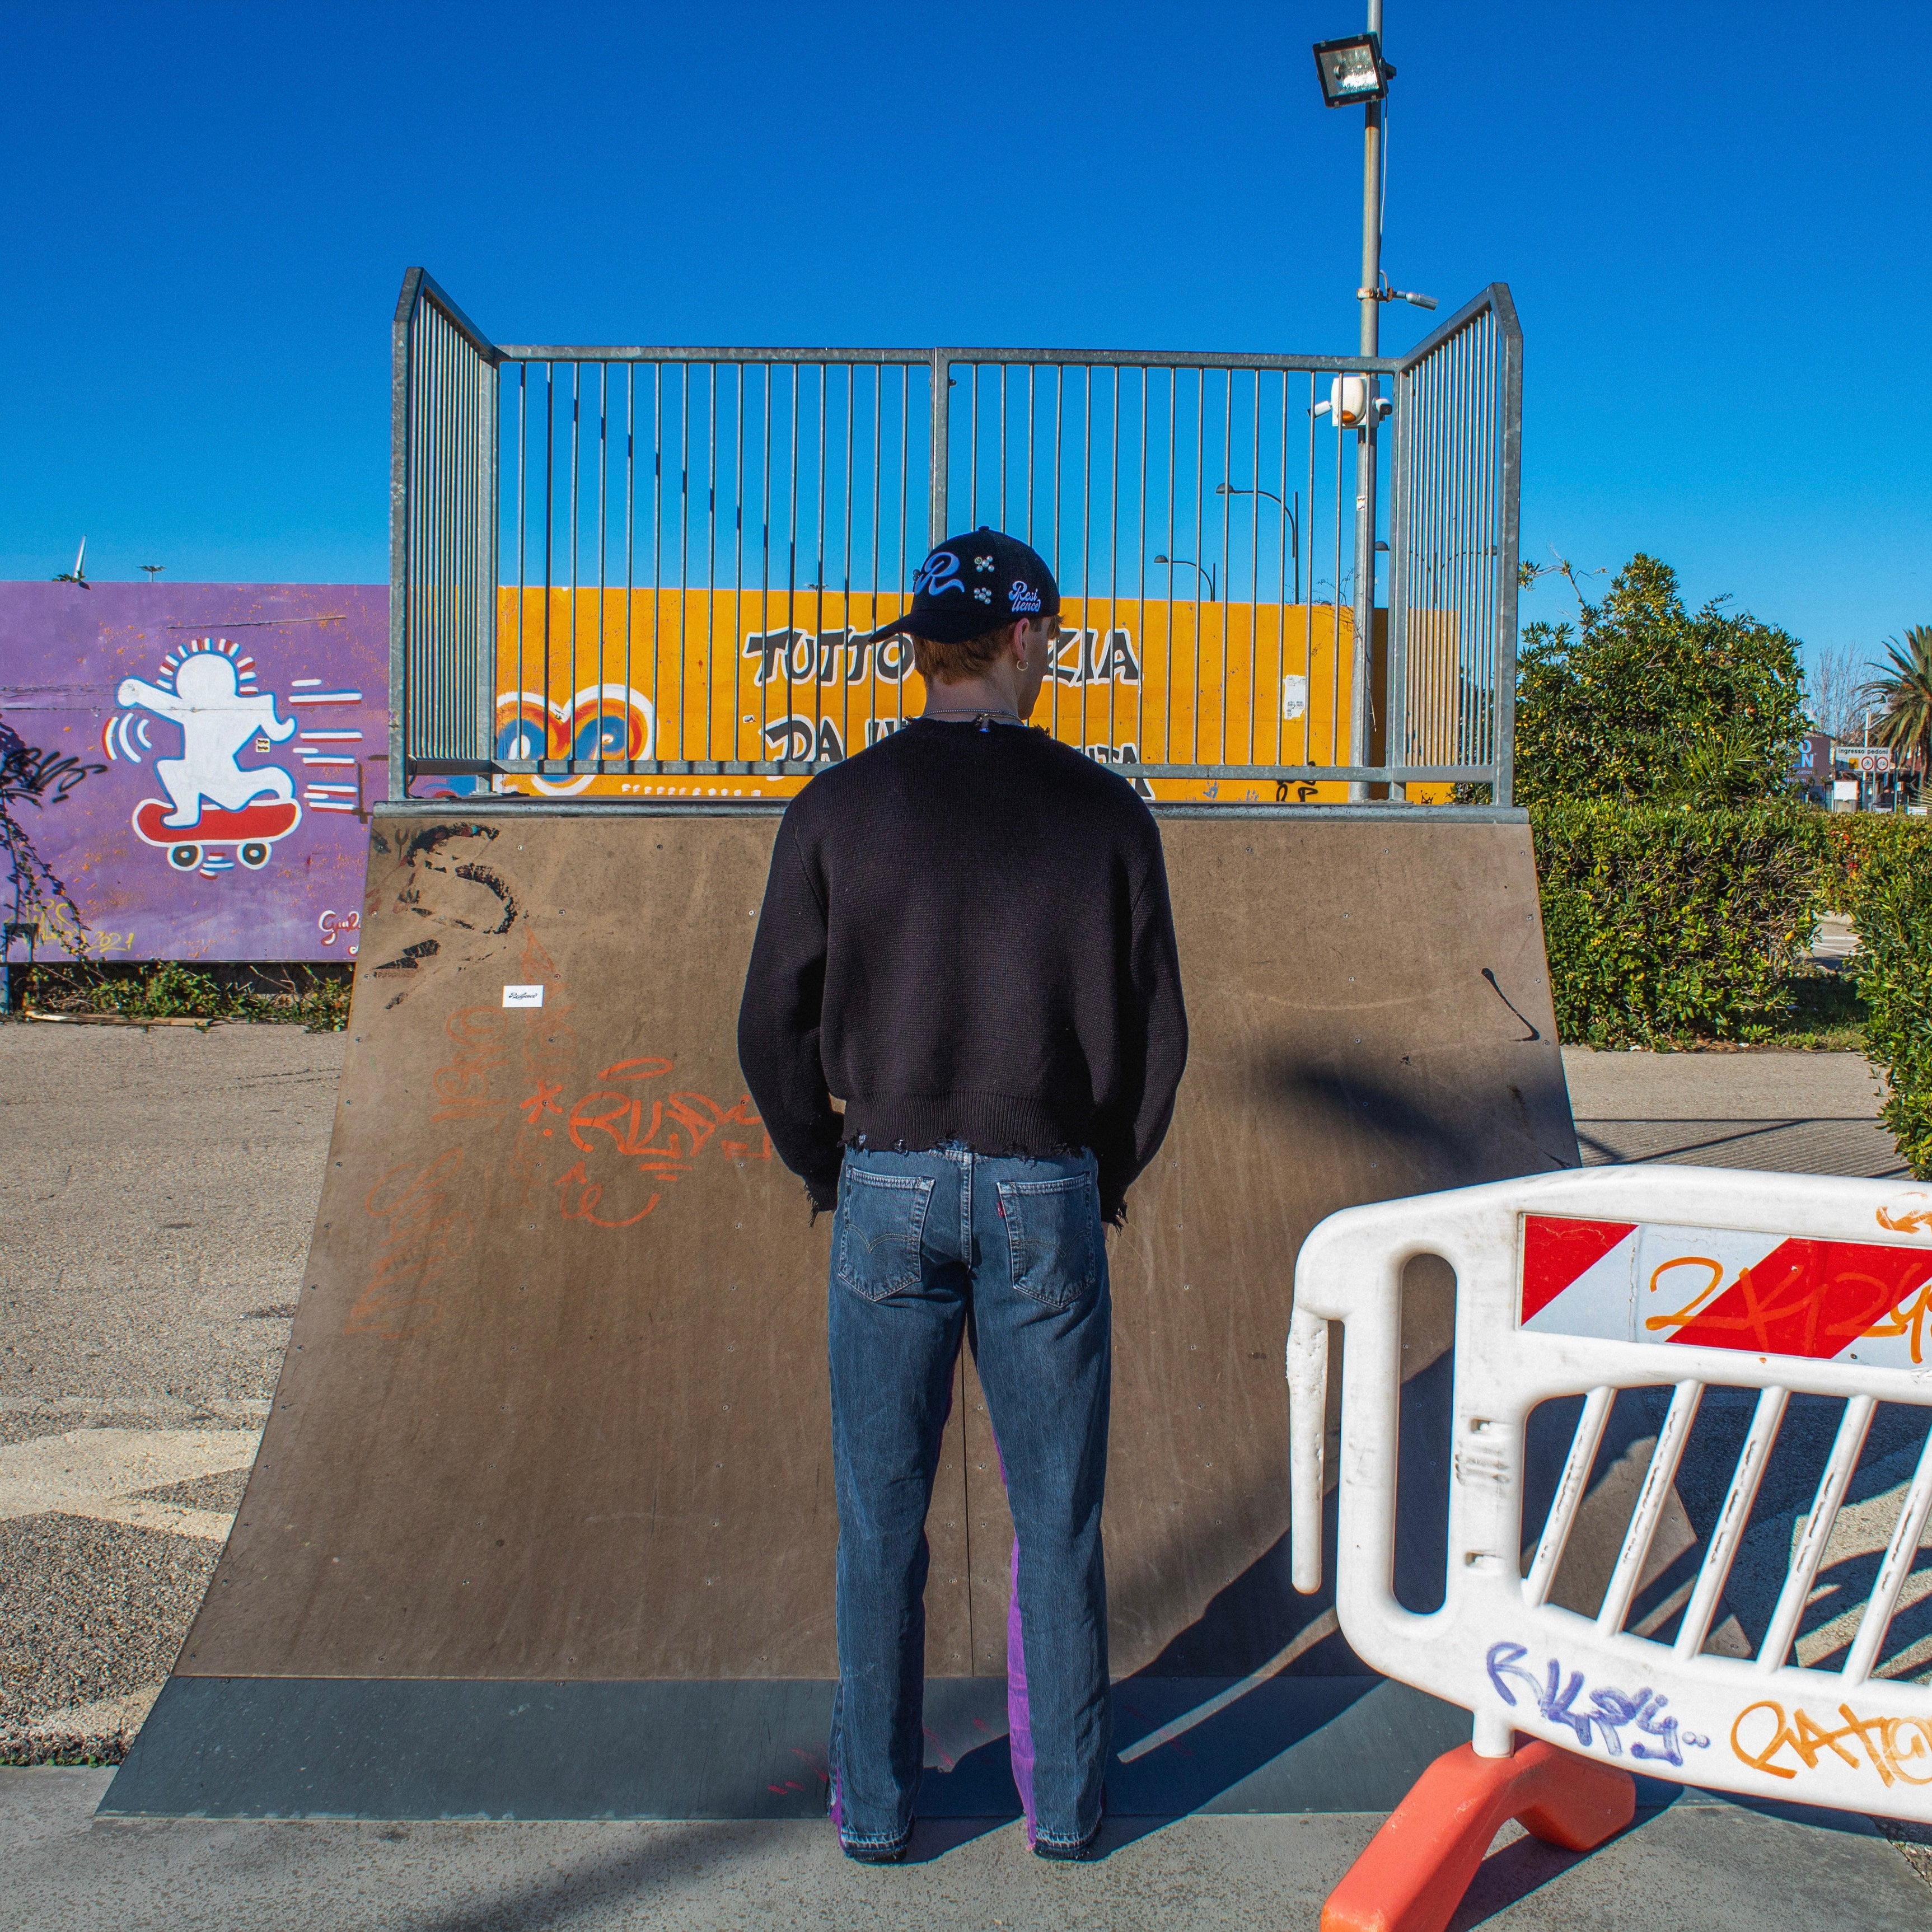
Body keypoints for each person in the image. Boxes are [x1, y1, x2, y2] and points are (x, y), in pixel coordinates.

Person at [737, 527, 1187, 1864]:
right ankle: (1063, 1807)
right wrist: (1095, 1166)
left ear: (924, 650)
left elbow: (771, 1025)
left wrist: (832, 1161)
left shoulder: (837, 805)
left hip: (883, 1177)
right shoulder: (1105, 812)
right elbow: (1156, 1038)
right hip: (1045, 1183)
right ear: (1030, 639)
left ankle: (876, 1812)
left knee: (880, 1517)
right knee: (1054, 1520)